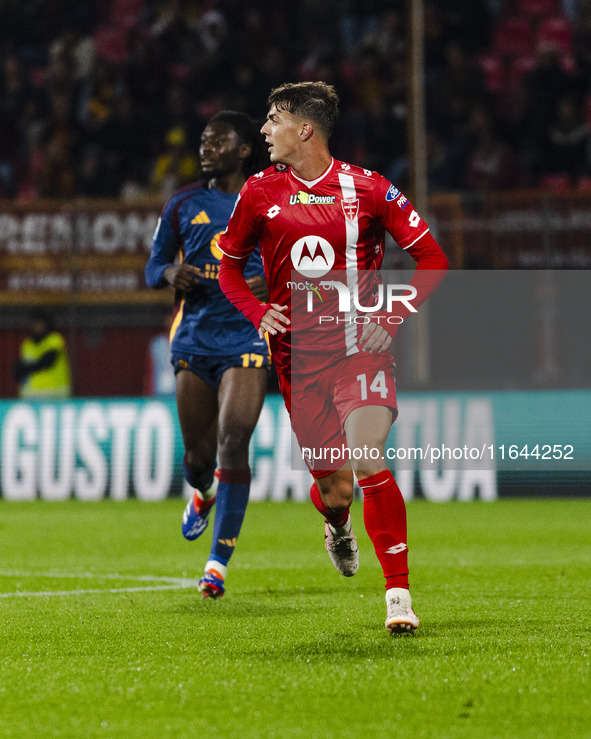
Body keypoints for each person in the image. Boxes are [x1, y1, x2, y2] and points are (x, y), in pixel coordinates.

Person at [218, 82, 448, 634]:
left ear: (305, 130)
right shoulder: (257, 194)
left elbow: (433, 259)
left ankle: (398, 596)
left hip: (358, 356)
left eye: (273, 120)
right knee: (336, 489)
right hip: (299, 365)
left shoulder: (368, 189)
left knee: (367, 457)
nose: (264, 131)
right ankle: (338, 525)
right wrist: (256, 311)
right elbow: (229, 266)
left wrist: (390, 318)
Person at [145, 110, 270, 599]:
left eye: (218, 142)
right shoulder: (182, 205)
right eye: (202, 141)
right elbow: (154, 264)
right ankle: (202, 490)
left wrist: (276, 283)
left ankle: (217, 562)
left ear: (243, 151)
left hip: (246, 334)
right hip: (194, 340)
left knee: (233, 437)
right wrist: (170, 274)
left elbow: (306, 264)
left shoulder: (266, 203)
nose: (205, 149)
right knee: (199, 456)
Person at [13, 309, 72, 399]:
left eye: (40, 324)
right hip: (31, 396)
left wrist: (24, 368)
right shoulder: (27, 344)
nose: (37, 327)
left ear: (47, 324)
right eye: (34, 324)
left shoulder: (55, 340)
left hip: (55, 395)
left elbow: (47, 362)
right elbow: (21, 370)